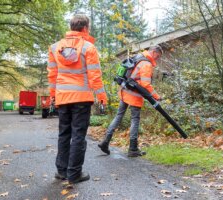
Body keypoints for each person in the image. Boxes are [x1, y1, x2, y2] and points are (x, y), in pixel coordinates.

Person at [47, 14, 107, 184]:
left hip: (62, 97)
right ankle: (74, 174)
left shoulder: (54, 48)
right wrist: (102, 97)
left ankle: (61, 171)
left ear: (71, 27)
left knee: (64, 134)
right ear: (85, 28)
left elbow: (52, 75)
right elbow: (95, 75)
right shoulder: (88, 48)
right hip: (81, 99)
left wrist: (53, 96)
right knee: (78, 135)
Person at [98, 45, 163, 157]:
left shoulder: (138, 56)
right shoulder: (146, 64)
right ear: (153, 52)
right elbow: (145, 84)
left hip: (125, 91)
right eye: (158, 55)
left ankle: (105, 142)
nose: (158, 58)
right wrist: (156, 96)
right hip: (134, 95)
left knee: (118, 116)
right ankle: (133, 148)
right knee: (135, 119)